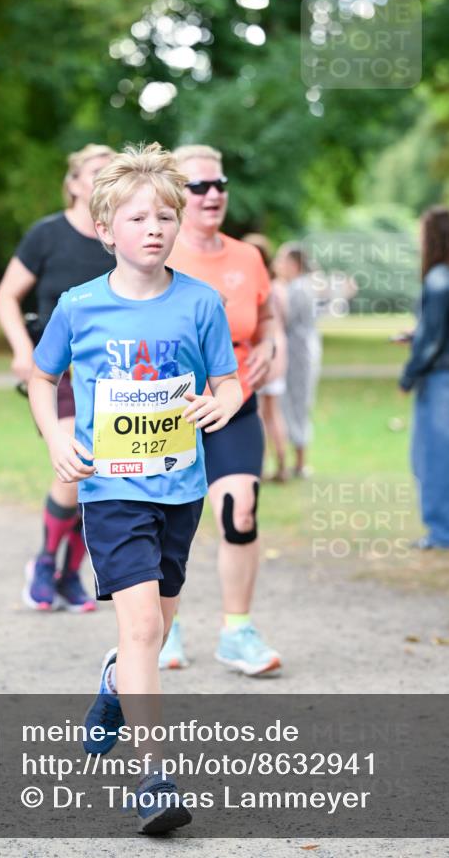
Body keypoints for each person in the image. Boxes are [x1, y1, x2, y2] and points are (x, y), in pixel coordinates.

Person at [28, 142, 241, 833]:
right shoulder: (79, 306)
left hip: (180, 490)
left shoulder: (200, 304)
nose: (153, 229)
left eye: (164, 217)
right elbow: (41, 377)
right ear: (103, 228)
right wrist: (57, 438)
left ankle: (117, 681)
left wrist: (224, 403)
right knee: (144, 624)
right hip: (111, 492)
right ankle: (153, 776)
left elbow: (227, 380)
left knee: (158, 624)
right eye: (137, 217)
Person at [160, 145, 281, 676]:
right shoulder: (156, 252)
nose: (213, 195)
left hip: (236, 406)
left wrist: (272, 346)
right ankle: (164, 630)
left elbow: (269, 315)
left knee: (240, 511)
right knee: (165, 524)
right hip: (169, 411)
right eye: (199, 186)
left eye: (219, 185)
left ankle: (237, 631)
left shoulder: (247, 257)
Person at [0, 144, 115, 613]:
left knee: (102, 476)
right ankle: (45, 563)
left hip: (110, 376)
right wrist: (23, 350)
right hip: (57, 372)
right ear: (74, 183)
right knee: (75, 465)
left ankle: (69, 574)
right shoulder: (47, 234)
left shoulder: (119, 238)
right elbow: (6, 296)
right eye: (95, 171)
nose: (104, 178)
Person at [399, 206, 449, 550]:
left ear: (434, 236)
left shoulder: (438, 279)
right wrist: (416, 336)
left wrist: (408, 375)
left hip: (444, 378)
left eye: (422, 233)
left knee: (433, 458)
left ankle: (444, 535)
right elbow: (442, 331)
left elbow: (432, 340)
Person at [244, 233, 289, 483]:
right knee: (275, 412)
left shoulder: (252, 287)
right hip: (279, 350)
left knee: (257, 413)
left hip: (258, 351)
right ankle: (282, 464)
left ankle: (257, 466)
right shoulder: (278, 287)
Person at [276, 243, 322, 479]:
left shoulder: (297, 289)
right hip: (302, 351)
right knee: (295, 403)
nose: (278, 265)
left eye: (282, 260)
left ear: (293, 264)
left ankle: (300, 462)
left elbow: (286, 320)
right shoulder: (301, 286)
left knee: (297, 403)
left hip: (298, 353)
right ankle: (297, 460)